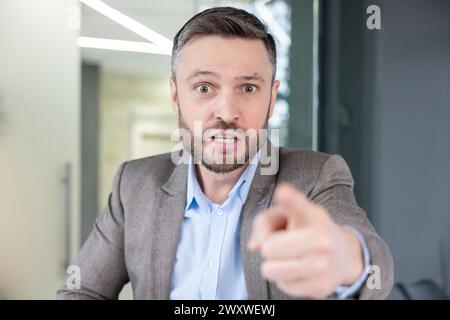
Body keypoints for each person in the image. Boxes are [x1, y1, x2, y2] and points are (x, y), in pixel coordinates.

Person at [57, 6, 393, 300]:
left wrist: (347, 259)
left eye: (248, 88)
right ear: (176, 96)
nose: (227, 112)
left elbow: (373, 263)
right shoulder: (134, 184)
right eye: (205, 87)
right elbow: (82, 290)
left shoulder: (315, 176)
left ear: (272, 98)